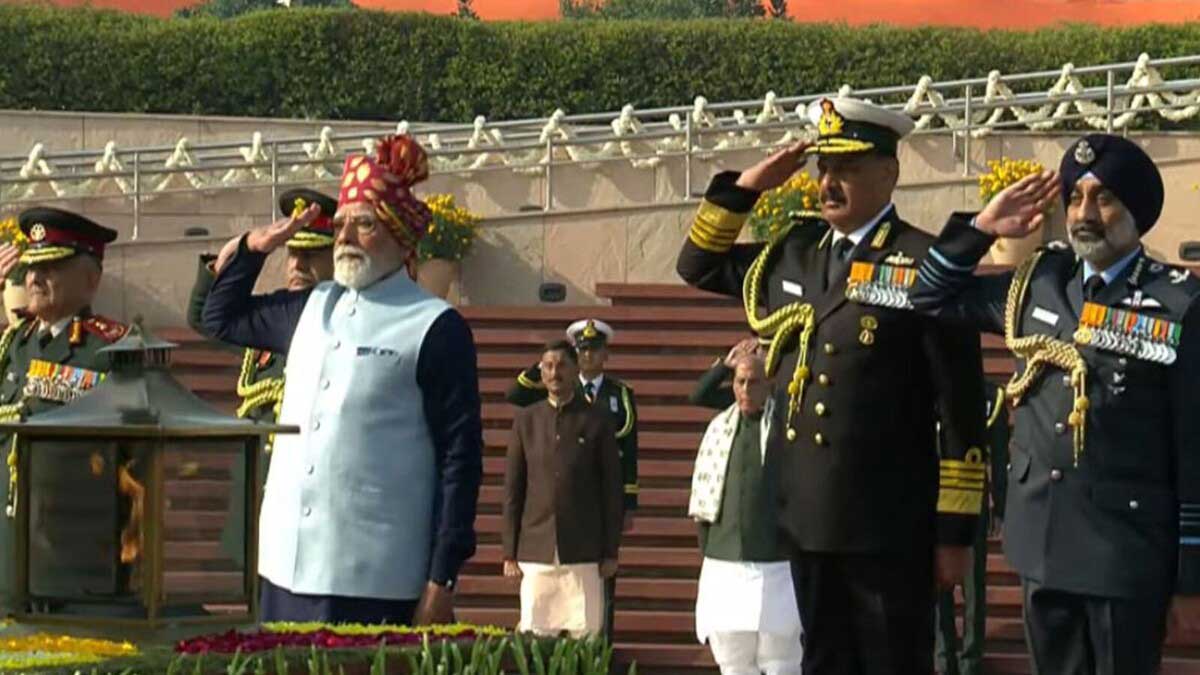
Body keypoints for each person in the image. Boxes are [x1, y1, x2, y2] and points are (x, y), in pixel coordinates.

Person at [676, 97, 988, 675]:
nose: (828, 182)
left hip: (887, 524)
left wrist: (955, 533)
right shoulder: (794, 254)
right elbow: (697, 264)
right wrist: (749, 187)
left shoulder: (925, 261)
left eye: (847, 168)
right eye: (824, 167)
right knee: (822, 662)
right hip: (806, 519)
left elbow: (960, 409)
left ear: (888, 173)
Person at [911, 133, 1200, 674]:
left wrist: (1191, 576)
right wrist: (982, 228)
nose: (1084, 214)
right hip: (1042, 542)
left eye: (1103, 198)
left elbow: (1193, 446)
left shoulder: (1177, 303)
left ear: (1136, 212)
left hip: (1124, 553)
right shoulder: (1039, 282)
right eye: (1075, 198)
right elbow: (928, 297)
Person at [202, 134, 483, 625]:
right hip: (284, 569)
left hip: (375, 577)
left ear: (399, 234)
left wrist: (442, 578)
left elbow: (459, 460)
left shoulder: (434, 325)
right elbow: (219, 318)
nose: (345, 236)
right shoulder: (310, 306)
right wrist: (252, 248)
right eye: (340, 225)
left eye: (365, 223)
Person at [186, 187, 336, 570]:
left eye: (311, 254)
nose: (298, 264)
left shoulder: (344, 318)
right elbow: (206, 318)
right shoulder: (272, 317)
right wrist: (243, 248)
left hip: (312, 501)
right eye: (292, 253)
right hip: (259, 494)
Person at [0, 207, 127, 612]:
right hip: (9, 542)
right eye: (31, 267)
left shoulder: (110, 349)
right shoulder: (14, 345)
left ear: (91, 279)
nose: (34, 278)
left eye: (51, 267)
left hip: (70, 550)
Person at [505, 317, 638, 640]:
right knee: (536, 638)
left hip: (584, 547)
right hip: (537, 546)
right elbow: (514, 489)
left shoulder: (599, 418)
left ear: (575, 367)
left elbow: (611, 487)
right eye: (548, 367)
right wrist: (509, 551)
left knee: (586, 635)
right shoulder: (528, 420)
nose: (555, 373)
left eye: (562, 365)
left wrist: (611, 551)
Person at [689, 338, 803, 675]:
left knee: (780, 657)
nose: (745, 390)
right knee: (733, 658)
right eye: (740, 382)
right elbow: (698, 395)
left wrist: (778, 359)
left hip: (775, 557)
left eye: (754, 382)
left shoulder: (783, 419)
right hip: (726, 556)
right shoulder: (724, 422)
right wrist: (726, 365)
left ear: (770, 384)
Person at [934, 380, 1010, 675]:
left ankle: (969, 658)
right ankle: (946, 656)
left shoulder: (992, 396)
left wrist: (1000, 506)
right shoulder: (929, 387)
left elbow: (1000, 456)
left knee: (973, 586)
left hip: (970, 497)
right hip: (936, 496)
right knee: (941, 583)